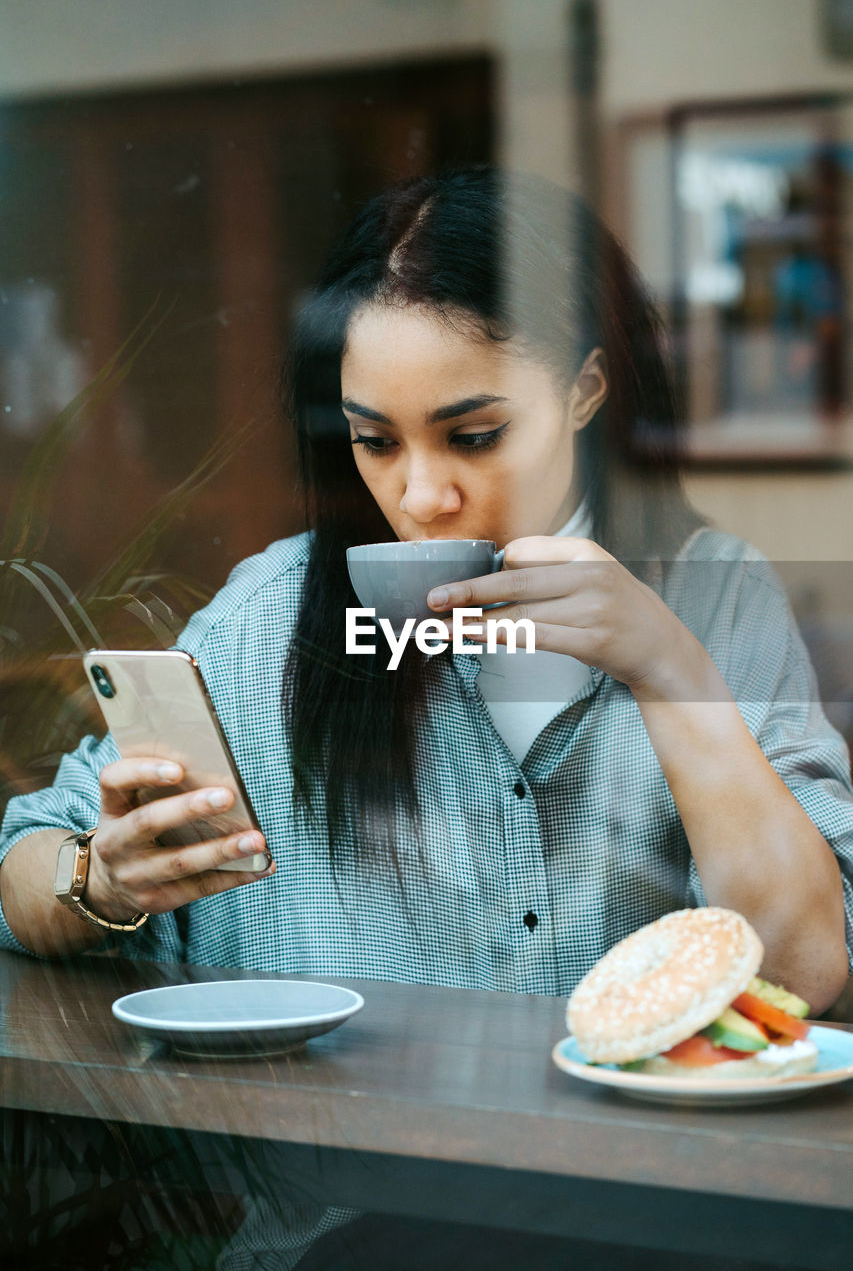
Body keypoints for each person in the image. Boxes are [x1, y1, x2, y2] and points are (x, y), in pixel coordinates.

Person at [1, 167, 852, 1268]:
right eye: (375, 440)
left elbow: (799, 968)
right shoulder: (272, 621)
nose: (420, 495)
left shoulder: (710, 594)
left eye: (474, 434)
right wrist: (101, 881)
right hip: (342, 1230)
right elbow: (22, 863)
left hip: (648, 1217)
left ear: (585, 390)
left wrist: (662, 662)